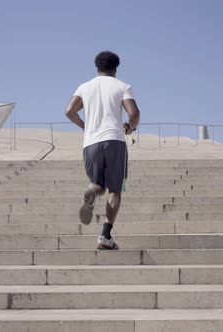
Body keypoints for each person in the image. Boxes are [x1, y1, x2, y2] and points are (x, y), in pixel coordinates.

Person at [64, 51, 141, 250]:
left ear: (97, 68)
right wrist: (129, 127)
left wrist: (85, 126)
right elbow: (134, 113)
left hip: (90, 143)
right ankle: (105, 235)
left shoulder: (85, 87)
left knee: (99, 185)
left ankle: (91, 192)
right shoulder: (122, 86)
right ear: (115, 69)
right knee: (115, 190)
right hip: (114, 141)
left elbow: (69, 111)